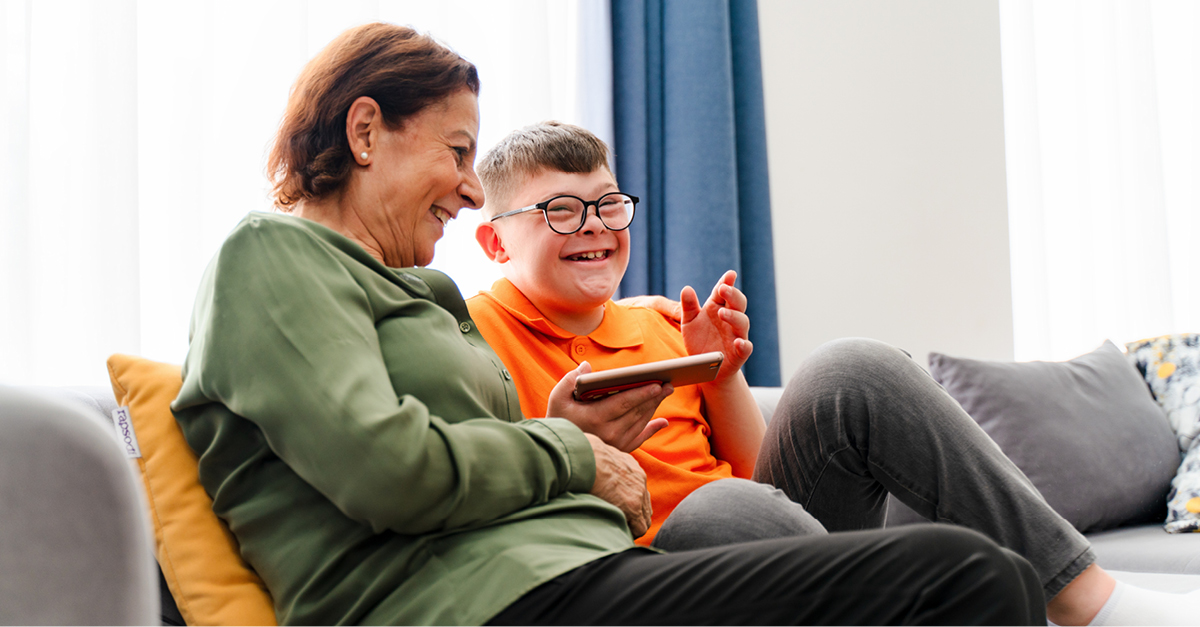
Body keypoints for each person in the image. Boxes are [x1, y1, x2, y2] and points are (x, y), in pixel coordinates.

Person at [171, 22, 1045, 625]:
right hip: (483, 602)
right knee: (967, 577)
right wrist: (575, 450)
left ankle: (1079, 584)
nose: (470, 184)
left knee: (953, 545)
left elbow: (504, 466)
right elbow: (389, 468)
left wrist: (570, 439)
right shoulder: (273, 257)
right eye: (457, 151)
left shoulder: (421, 297)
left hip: (577, 569)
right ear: (367, 132)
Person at [465, 121, 1199, 626]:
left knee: (853, 367)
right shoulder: (472, 337)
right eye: (561, 210)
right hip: (650, 577)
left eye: (608, 204)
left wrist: (721, 374)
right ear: (496, 241)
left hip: (774, 540)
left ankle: (1087, 598)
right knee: (719, 509)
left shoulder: (662, 320)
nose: (594, 224)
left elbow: (762, 477)